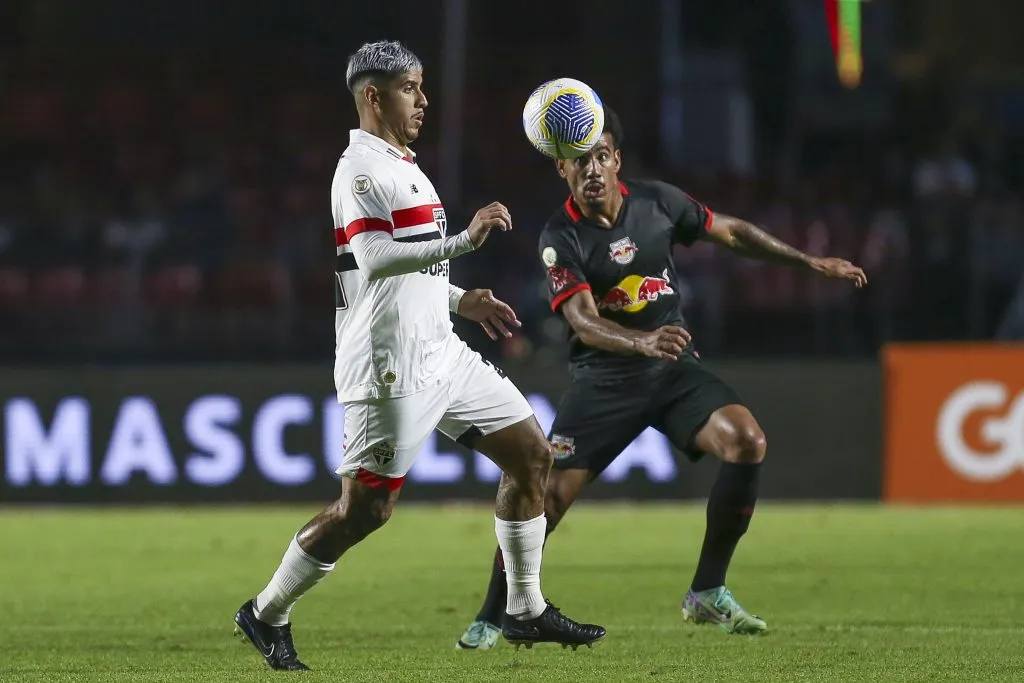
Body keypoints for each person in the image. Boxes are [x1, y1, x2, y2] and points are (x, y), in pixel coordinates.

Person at [233, 40, 605, 671]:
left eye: (422, 86)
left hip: (442, 350)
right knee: (365, 510)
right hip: (389, 365)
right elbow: (375, 259)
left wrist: (461, 302)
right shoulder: (359, 173)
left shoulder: (404, 163)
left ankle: (524, 608)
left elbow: (405, 272)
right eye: (410, 88)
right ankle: (265, 612)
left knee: (531, 453)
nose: (424, 100)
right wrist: (467, 238)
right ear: (373, 96)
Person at [455, 106, 867, 650]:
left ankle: (707, 591)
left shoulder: (659, 202)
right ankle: (492, 612)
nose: (593, 169)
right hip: (603, 381)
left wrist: (808, 262)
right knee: (543, 498)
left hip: (673, 370)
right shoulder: (560, 237)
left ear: (617, 159)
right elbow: (581, 320)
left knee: (747, 441)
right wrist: (641, 340)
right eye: (580, 161)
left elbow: (733, 232)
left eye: (602, 156)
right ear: (563, 170)